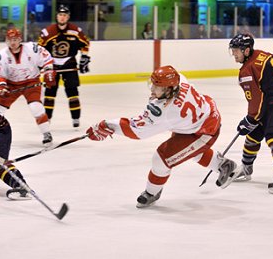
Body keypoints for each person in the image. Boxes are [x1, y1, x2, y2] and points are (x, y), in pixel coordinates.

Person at [85, 65, 237, 208]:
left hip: (204, 131)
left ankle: (152, 192)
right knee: (189, 152)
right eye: (153, 84)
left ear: (169, 89)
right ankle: (223, 165)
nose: (152, 89)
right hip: (200, 119)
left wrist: (107, 126)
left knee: (162, 158)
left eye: (157, 87)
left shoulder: (167, 113)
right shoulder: (181, 82)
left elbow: (137, 131)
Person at [227, 33, 273, 194]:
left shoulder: (247, 70)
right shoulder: (261, 54)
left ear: (246, 51)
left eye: (236, 51)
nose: (234, 54)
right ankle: (246, 168)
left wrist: (250, 119)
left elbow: (255, 101)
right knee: (254, 133)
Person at [0, 28, 55, 146]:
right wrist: (1, 86)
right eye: (10, 40)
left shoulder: (32, 48)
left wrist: (48, 71)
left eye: (15, 39)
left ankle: (46, 133)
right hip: (11, 85)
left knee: (35, 107)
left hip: (31, 82)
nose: (13, 42)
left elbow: (46, 58)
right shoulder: (2, 55)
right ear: (6, 40)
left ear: (20, 39)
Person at [38, 5, 91, 128]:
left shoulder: (75, 30)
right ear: (57, 16)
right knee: (49, 94)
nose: (62, 17)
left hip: (69, 64)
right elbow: (40, 49)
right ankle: (47, 119)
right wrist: (41, 64)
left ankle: (76, 119)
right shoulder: (48, 31)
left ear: (68, 17)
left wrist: (84, 58)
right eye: (60, 15)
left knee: (72, 92)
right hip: (52, 66)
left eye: (65, 15)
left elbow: (85, 44)